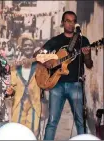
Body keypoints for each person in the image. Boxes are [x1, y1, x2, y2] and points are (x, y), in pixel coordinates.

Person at [37, 11, 93, 140]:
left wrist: (87, 54)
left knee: (80, 121)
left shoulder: (83, 40)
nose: (70, 24)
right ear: (63, 22)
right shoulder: (56, 40)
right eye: (68, 21)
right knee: (52, 122)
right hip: (57, 85)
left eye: (73, 21)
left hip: (76, 85)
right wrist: (47, 61)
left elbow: (89, 65)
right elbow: (39, 54)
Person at [11, 34, 42, 137]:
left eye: (30, 45)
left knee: (33, 133)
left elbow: (45, 84)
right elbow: (12, 85)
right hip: (19, 104)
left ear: (33, 47)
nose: (28, 47)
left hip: (34, 104)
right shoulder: (16, 66)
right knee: (17, 133)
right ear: (22, 48)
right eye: (25, 45)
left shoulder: (39, 65)